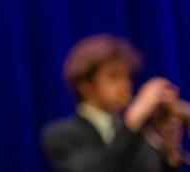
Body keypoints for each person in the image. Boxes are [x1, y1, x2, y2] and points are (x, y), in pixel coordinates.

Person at [41, 33, 184, 172]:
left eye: (127, 76)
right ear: (84, 85)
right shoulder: (59, 134)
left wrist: (169, 155)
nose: (125, 85)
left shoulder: (140, 135)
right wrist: (133, 121)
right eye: (113, 76)